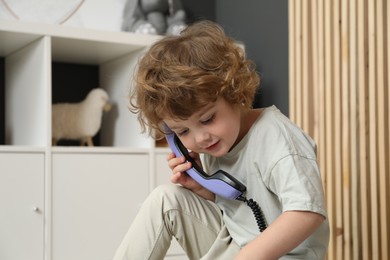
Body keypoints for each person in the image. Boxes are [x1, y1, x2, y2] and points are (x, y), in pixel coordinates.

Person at [113, 20, 329, 260]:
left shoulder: (276, 136)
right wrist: (205, 189)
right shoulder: (219, 141)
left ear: (234, 92)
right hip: (235, 244)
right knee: (165, 199)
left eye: (207, 119)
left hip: (283, 256)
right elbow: (245, 208)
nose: (200, 139)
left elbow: (307, 212)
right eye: (182, 132)